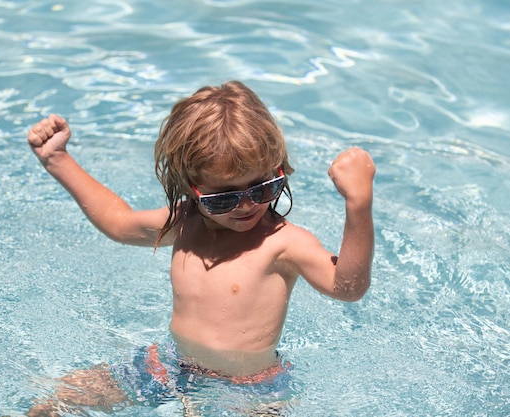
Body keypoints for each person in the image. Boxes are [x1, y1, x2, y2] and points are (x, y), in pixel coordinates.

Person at [25, 80, 375, 416]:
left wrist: (358, 204)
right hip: (172, 364)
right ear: (191, 188)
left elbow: (347, 288)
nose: (246, 205)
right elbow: (119, 224)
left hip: (250, 388)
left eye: (262, 188)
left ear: (278, 169)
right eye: (224, 198)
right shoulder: (185, 222)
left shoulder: (282, 243)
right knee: (52, 404)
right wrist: (57, 159)